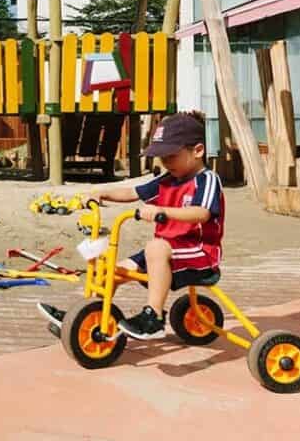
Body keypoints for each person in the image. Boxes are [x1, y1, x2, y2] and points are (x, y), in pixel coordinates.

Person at [80, 110, 224, 340]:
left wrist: (162, 211)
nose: (165, 162)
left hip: (200, 252)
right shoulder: (168, 179)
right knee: (112, 271)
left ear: (197, 151)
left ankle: (154, 317)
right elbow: (132, 192)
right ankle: (92, 316)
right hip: (167, 249)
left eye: (171, 156)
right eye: (162, 157)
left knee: (155, 247)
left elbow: (202, 213)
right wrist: (101, 193)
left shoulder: (206, 180)